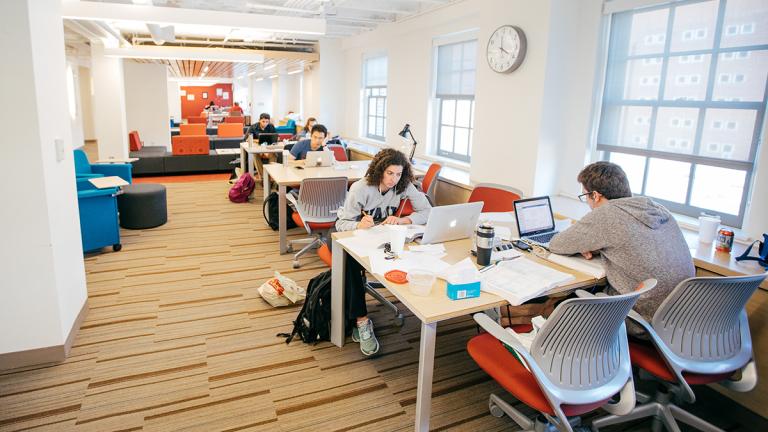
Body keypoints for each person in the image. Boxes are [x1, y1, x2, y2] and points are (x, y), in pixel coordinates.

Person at [547, 161, 695, 335]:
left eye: (585, 196)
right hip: (681, 319)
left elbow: (556, 244)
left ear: (595, 195)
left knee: (566, 303)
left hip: (640, 319)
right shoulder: (656, 209)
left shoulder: (607, 214)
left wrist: (583, 245)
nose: (586, 202)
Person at [335, 148, 432, 356]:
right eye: (389, 173)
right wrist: (358, 225)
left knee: (416, 249)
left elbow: (427, 211)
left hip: (383, 238)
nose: (394, 179)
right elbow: (340, 223)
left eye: (398, 174)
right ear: (380, 170)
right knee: (351, 262)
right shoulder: (361, 188)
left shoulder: (403, 185)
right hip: (356, 238)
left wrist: (403, 220)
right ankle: (361, 321)